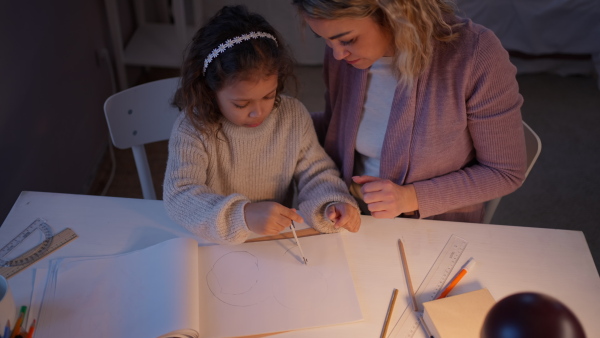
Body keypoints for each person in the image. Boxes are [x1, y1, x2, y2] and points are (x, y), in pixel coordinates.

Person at [291, 0, 528, 222]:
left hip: (434, 227)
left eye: (348, 40)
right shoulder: (343, 58)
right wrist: (282, 121)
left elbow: (504, 172)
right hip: (351, 212)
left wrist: (410, 198)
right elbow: (336, 127)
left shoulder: (474, 54)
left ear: (394, 12)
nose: (337, 54)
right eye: (325, 39)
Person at [163, 5, 361, 245]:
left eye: (269, 96)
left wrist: (331, 204)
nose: (259, 112)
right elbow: (180, 195)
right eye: (241, 104)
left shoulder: (292, 116)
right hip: (213, 243)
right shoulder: (194, 127)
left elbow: (316, 173)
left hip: (273, 243)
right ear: (210, 91)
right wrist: (243, 215)